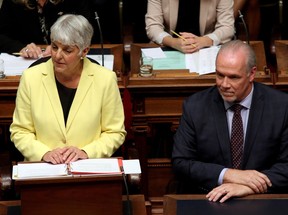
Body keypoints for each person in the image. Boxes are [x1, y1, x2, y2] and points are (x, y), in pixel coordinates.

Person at [172, 40, 288, 203]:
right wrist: (228, 174)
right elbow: (181, 163)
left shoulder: (281, 106)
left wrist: (248, 187)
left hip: (264, 200)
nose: (224, 84)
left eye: (234, 77)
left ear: (252, 74)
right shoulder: (195, 106)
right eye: (219, 75)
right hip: (211, 199)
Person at [9, 14, 126, 164]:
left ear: (84, 51)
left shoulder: (105, 79)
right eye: (55, 47)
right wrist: (44, 153)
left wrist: (86, 152)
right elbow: (20, 131)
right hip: (43, 169)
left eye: (67, 50)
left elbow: (115, 132)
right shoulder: (31, 78)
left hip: (87, 168)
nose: (57, 55)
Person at [0, 0, 94, 59]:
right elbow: (2, 35)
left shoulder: (75, 2)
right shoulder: (12, 2)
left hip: (66, 58)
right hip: (28, 61)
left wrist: (58, 46)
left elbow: (85, 32)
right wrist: (21, 48)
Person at [145, 0, 235, 53]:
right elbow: (153, 26)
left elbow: (227, 27)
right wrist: (172, 42)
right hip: (167, 46)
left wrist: (204, 41)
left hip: (206, 49)